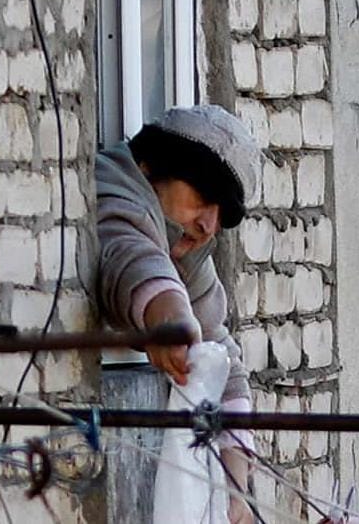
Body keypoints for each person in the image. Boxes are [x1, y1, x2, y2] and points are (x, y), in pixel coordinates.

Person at [96, 105, 260, 523]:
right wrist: (169, 321)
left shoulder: (190, 251)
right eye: (203, 199)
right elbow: (130, 256)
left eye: (221, 214)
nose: (209, 225)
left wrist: (235, 491)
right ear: (150, 169)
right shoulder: (114, 193)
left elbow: (222, 356)